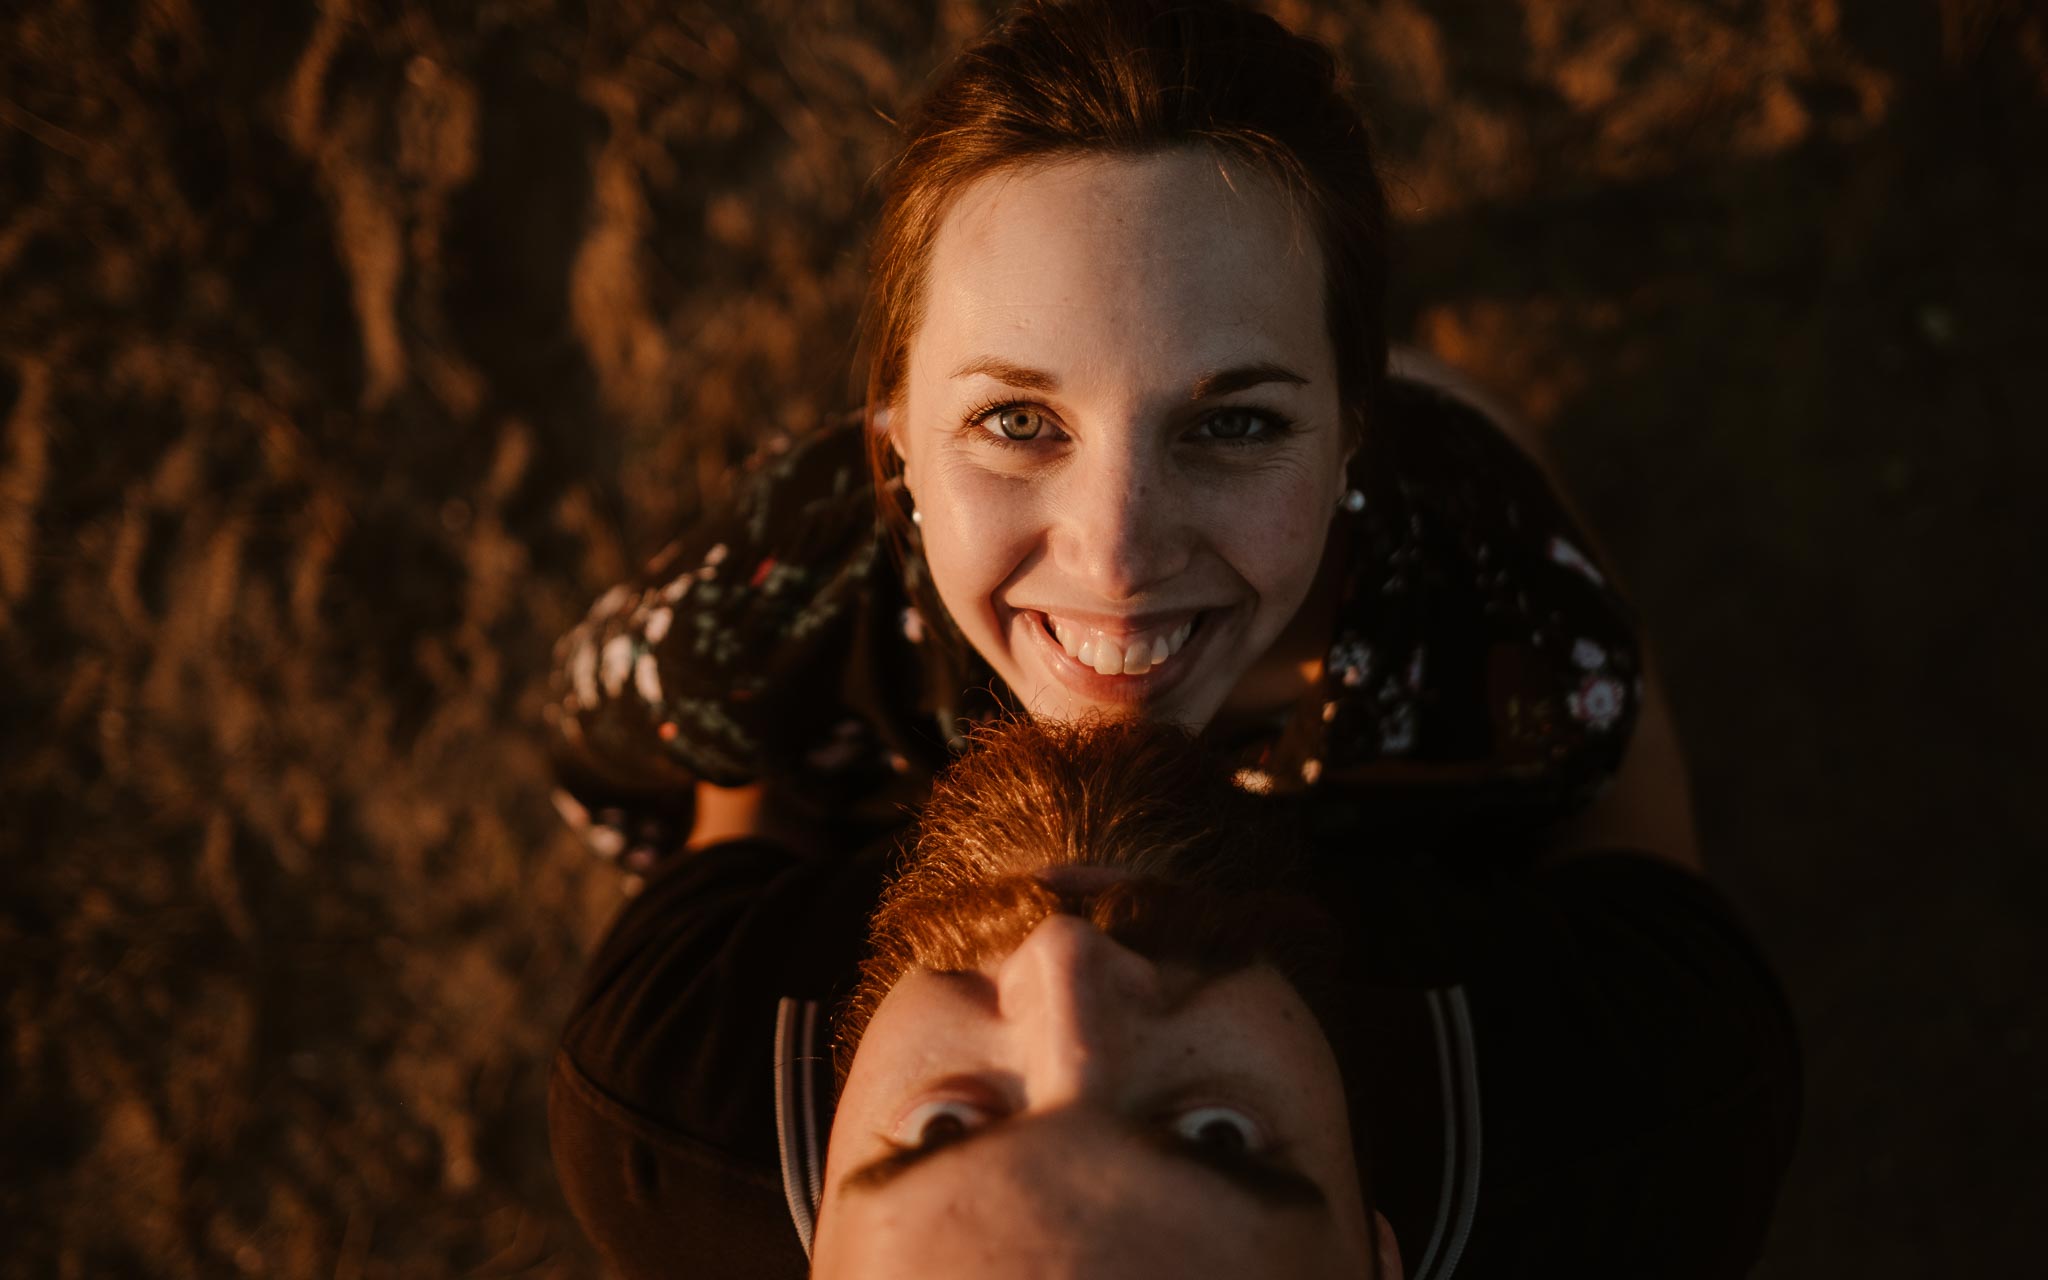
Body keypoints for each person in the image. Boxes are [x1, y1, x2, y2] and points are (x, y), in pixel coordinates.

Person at [543, 0, 1684, 886]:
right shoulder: (761, 617)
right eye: (1016, 420)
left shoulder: (1500, 603)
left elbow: (1626, 853)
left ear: (1350, 434)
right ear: (890, 429)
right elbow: (628, 782)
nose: (1117, 553)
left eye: (1232, 421)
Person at [549, 716, 1800, 1278]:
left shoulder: (669, 1078)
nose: (1067, 961)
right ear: (1378, 1253)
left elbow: (743, 783)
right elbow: (1611, 759)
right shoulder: (1651, 1106)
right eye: (1215, 1136)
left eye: (945, 1128)